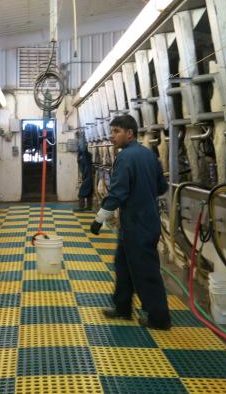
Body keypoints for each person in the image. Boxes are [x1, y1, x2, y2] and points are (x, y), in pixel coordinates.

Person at [90, 114, 171, 330]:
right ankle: (123, 307)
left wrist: (99, 219)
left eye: (117, 132)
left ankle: (159, 318)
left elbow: (118, 192)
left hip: (137, 224)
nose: (112, 136)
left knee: (146, 271)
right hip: (144, 221)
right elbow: (162, 187)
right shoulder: (149, 155)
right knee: (123, 265)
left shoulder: (125, 157)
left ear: (130, 133)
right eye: (112, 131)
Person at [74, 131, 94, 212]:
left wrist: (81, 136)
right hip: (87, 176)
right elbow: (81, 148)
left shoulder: (85, 155)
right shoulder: (82, 155)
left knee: (81, 193)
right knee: (89, 193)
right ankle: (89, 207)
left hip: (88, 177)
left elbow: (82, 147)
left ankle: (81, 208)